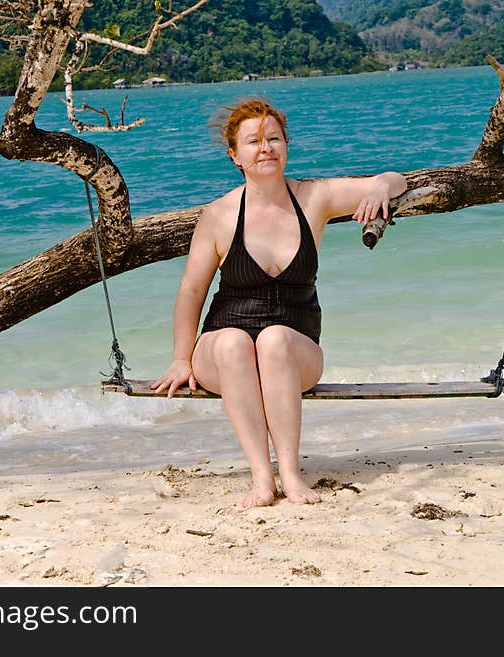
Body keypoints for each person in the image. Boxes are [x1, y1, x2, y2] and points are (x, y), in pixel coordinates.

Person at [151, 98, 408, 508]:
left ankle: (290, 474)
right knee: (236, 342)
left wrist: (380, 187)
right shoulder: (219, 215)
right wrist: (181, 359)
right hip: (221, 348)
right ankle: (260, 477)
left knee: (272, 340)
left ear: (286, 146)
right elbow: (191, 291)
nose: (265, 147)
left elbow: (395, 179)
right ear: (235, 155)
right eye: (253, 141)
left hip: (294, 349)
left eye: (273, 138)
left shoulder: (314, 199)